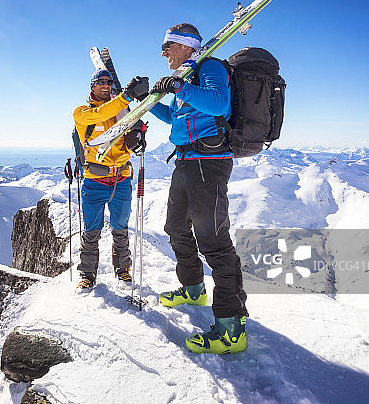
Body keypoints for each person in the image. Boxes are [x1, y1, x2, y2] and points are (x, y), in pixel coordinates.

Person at [149, 23, 248, 355]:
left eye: (168, 46)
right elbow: (177, 117)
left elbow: (219, 104)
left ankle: (232, 329)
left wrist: (180, 86)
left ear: (186, 47)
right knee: (175, 227)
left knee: (215, 242)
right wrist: (147, 101)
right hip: (186, 161)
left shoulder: (210, 67)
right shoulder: (187, 79)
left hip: (210, 161)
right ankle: (193, 289)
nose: (163, 52)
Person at [72, 69, 148, 290]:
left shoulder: (122, 113)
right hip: (95, 180)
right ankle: (87, 275)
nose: (105, 85)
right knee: (91, 231)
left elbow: (130, 137)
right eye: (101, 82)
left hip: (121, 178)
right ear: (92, 86)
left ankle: (123, 270)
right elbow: (100, 115)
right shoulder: (82, 112)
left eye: (108, 82)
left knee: (121, 228)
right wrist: (124, 98)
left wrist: (137, 139)